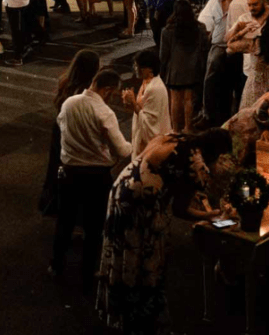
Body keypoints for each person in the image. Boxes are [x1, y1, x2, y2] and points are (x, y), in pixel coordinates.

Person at [96, 129, 232, 333]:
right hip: (141, 204)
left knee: (121, 252)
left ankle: (120, 314)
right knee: (144, 259)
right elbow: (180, 209)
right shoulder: (197, 165)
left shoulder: (178, 137)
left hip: (121, 188)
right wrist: (210, 215)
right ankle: (142, 320)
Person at [49, 69, 132, 282]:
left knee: (65, 221)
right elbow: (122, 150)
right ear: (107, 89)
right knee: (94, 226)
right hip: (96, 175)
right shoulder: (104, 112)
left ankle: (56, 264)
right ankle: (88, 270)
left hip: (69, 171)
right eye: (112, 94)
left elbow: (61, 127)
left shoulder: (69, 103)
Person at [38, 50, 101, 216]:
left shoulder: (65, 82)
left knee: (57, 167)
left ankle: (53, 202)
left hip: (59, 130)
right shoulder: (86, 92)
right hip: (75, 133)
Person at [159, 0, 210, 133]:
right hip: (193, 69)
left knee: (175, 100)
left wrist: (162, 70)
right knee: (189, 100)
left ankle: (176, 129)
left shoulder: (168, 30)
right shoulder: (200, 28)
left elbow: (164, 55)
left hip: (175, 70)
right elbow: (205, 47)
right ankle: (188, 127)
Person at [123, 49, 170, 158]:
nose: (135, 69)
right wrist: (130, 101)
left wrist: (133, 103)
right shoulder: (146, 82)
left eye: (138, 67)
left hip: (152, 142)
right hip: (141, 136)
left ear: (149, 69)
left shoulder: (154, 89)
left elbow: (150, 124)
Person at [197, 0, 230, 125]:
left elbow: (216, 18)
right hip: (215, 40)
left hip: (217, 42)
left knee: (209, 80)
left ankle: (208, 115)